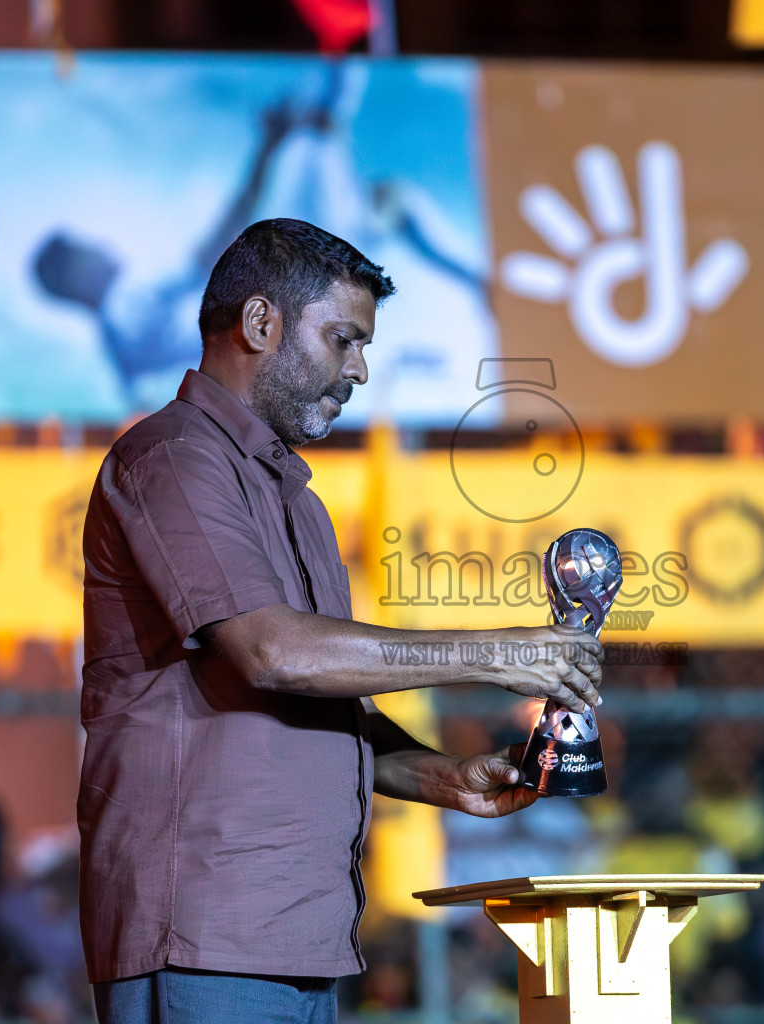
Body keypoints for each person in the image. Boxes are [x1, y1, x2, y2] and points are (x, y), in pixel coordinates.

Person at [79, 218, 603, 1024]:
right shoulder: (173, 458)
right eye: (343, 340)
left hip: (299, 938)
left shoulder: (301, 503)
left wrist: (438, 776)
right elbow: (273, 655)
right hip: (204, 937)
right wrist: (497, 652)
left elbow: (317, 690)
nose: (359, 369)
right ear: (261, 324)